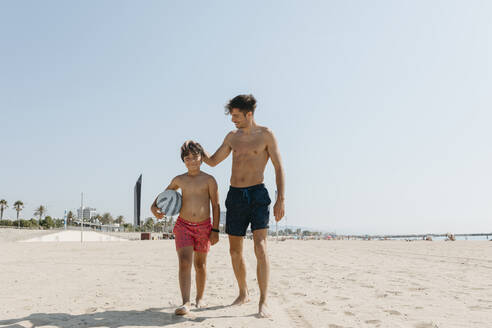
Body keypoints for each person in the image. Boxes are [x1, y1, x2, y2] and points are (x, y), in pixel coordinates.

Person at [203, 94, 285, 318]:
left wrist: (281, 199)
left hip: (258, 194)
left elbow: (278, 167)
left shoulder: (266, 135)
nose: (233, 120)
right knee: (234, 250)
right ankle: (243, 293)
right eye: (232, 116)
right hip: (235, 196)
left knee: (260, 247)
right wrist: (199, 150)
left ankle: (263, 301)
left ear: (249, 114)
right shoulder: (232, 137)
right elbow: (213, 161)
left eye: (237, 116)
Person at [151, 140, 220, 315]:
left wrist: (216, 230)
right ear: (183, 161)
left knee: (200, 265)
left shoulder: (209, 180)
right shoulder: (179, 180)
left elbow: (216, 205)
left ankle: (200, 298)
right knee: (184, 262)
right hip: (183, 226)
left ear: (202, 158)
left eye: (195, 157)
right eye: (187, 158)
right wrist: (153, 207)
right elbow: (164, 195)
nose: (192, 161)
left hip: (204, 227)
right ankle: (185, 302)